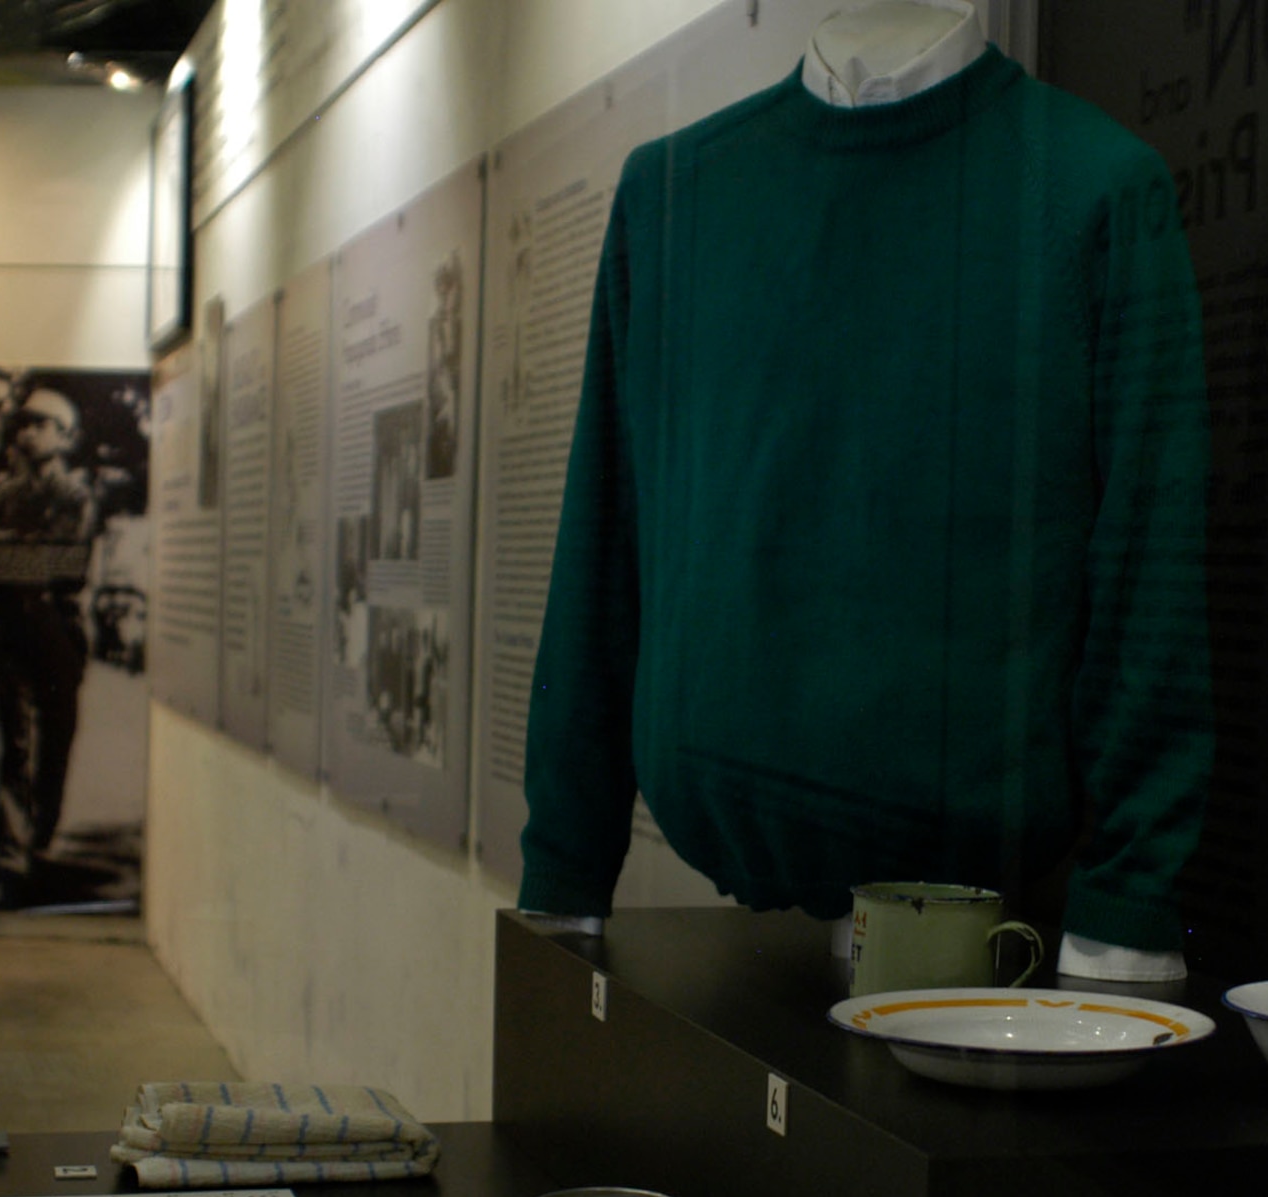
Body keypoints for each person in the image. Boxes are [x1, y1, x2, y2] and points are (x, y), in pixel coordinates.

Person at [517, 1, 1213, 986]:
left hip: (971, 910)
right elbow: (606, 539)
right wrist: (564, 859)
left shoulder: (1090, 189)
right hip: (733, 885)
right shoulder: (672, 190)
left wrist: (1127, 902)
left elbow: (1151, 566)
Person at [0, 386, 99, 903]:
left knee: (56, 741)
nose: (28, 432)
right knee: (15, 744)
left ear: (66, 437)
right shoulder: (2, 496)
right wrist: (11, 559)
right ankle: (12, 848)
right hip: (13, 632)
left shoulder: (76, 498)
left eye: (42, 423)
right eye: (23, 422)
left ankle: (40, 833)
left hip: (59, 635)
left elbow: (67, 566)